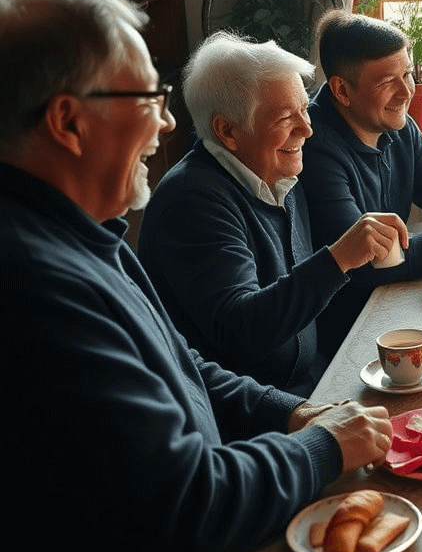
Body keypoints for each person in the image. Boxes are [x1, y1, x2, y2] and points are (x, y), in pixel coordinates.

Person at [0, 0, 393, 552]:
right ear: (67, 121)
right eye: (146, 99)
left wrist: (290, 413)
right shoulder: (34, 284)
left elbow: (184, 364)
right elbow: (190, 504)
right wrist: (324, 446)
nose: (165, 125)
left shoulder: (90, 236)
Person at [138, 32, 408, 396]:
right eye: (285, 117)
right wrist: (338, 258)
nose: (307, 129)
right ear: (228, 131)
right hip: (255, 415)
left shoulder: (277, 172)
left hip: (308, 383)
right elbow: (242, 331)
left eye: (304, 110)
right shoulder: (192, 201)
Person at [300, 11, 422, 354]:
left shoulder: (397, 125)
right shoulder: (313, 147)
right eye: (386, 82)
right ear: (341, 90)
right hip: (345, 336)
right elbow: (366, 264)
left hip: (393, 306)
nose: (406, 91)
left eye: (406, 73)